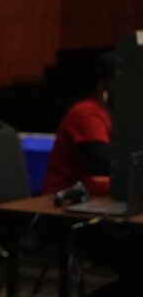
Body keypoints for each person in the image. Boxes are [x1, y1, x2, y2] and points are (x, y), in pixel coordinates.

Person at [42, 51, 116, 195]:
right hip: (62, 204)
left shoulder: (111, 114)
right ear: (103, 86)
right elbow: (103, 164)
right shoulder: (86, 113)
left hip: (93, 200)